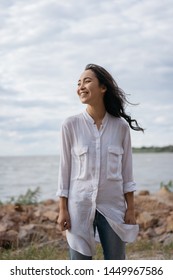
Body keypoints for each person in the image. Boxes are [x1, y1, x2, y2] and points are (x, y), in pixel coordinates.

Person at [56, 63, 144, 260]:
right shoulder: (70, 125)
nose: (80, 86)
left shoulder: (120, 127)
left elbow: (126, 171)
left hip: (113, 208)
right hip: (78, 207)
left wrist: (131, 209)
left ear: (103, 87)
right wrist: (63, 210)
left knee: (115, 265)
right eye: (78, 83)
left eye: (87, 81)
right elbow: (64, 170)